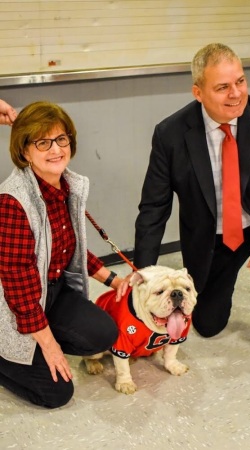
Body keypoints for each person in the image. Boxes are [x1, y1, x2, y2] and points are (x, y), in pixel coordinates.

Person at [134, 43, 250, 376]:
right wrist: (142, 275)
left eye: (240, 81)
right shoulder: (170, 134)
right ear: (198, 92)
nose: (236, 94)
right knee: (209, 324)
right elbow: (154, 208)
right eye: (222, 87)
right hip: (215, 236)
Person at [0, 101, 128, 408]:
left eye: (61, 139)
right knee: (58, 393)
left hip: (53, 290)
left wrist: (113, 280)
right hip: (16, 304)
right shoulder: (13, 202)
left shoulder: (66, 185)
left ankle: (36, 343)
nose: (55, 149)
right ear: (24, 152)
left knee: (103, 333)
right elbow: (19, 287)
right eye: (42, 142)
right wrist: (48, 343)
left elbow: (69, 246)